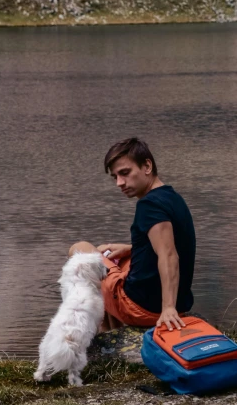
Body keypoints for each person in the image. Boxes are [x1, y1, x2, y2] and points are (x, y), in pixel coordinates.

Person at [69, 137, 196, 331]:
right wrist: (132, 249)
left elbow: (169, 255)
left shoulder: (149, 205)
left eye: (125, 173)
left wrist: (168, 308)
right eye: (115, 177)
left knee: (80, 250)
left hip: (142, 309)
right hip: (179, 305)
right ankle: (113, 334)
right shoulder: (171, 197)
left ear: (147, 166)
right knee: (107, 254)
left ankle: (107, 337)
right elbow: (176, 243)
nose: (119, 183)